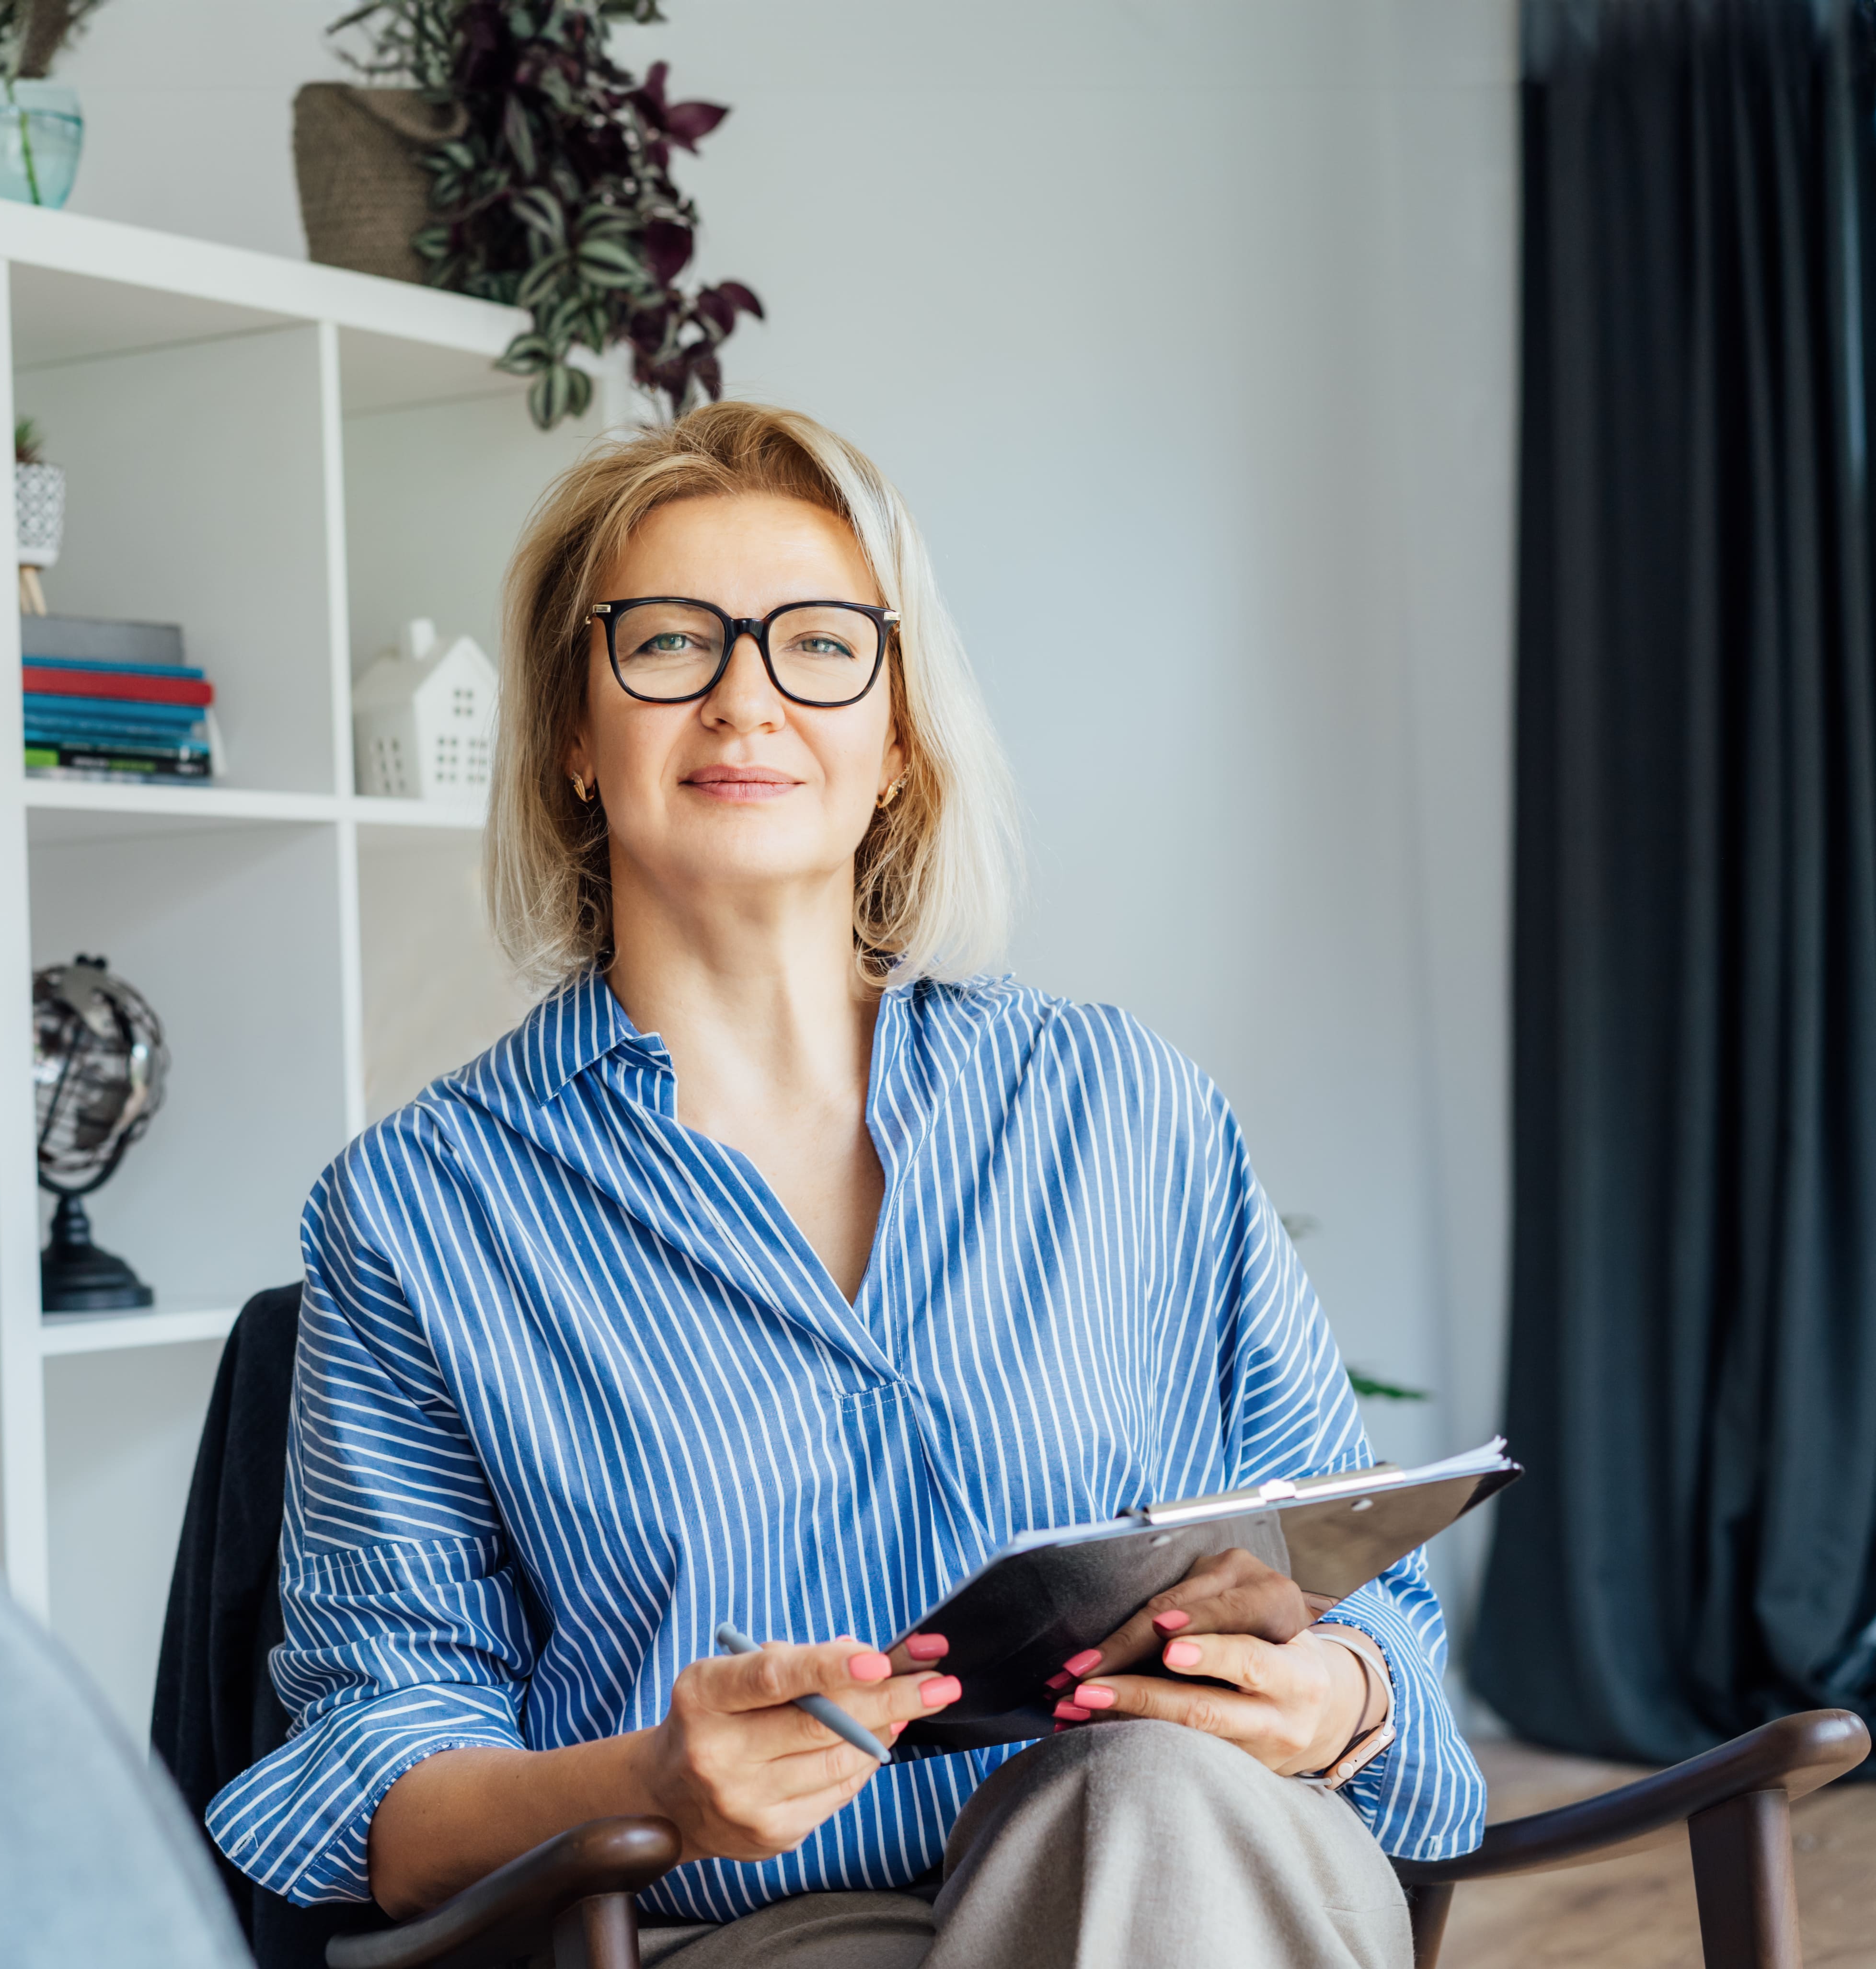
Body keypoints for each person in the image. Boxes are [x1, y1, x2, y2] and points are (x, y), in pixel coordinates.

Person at [204, 403, 1481, 1968]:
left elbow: (1381, 1634)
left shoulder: (1128, 1112)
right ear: (567, 737)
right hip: (771, 1936)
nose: (745, 697)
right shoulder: (417, 1213)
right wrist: (653, 1784)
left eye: (818, 645)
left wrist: (1329, 1694)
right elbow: (378, 1787)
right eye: (667, 645)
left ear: (897, 742)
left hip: (1191, 1866)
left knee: (1153, 1794)